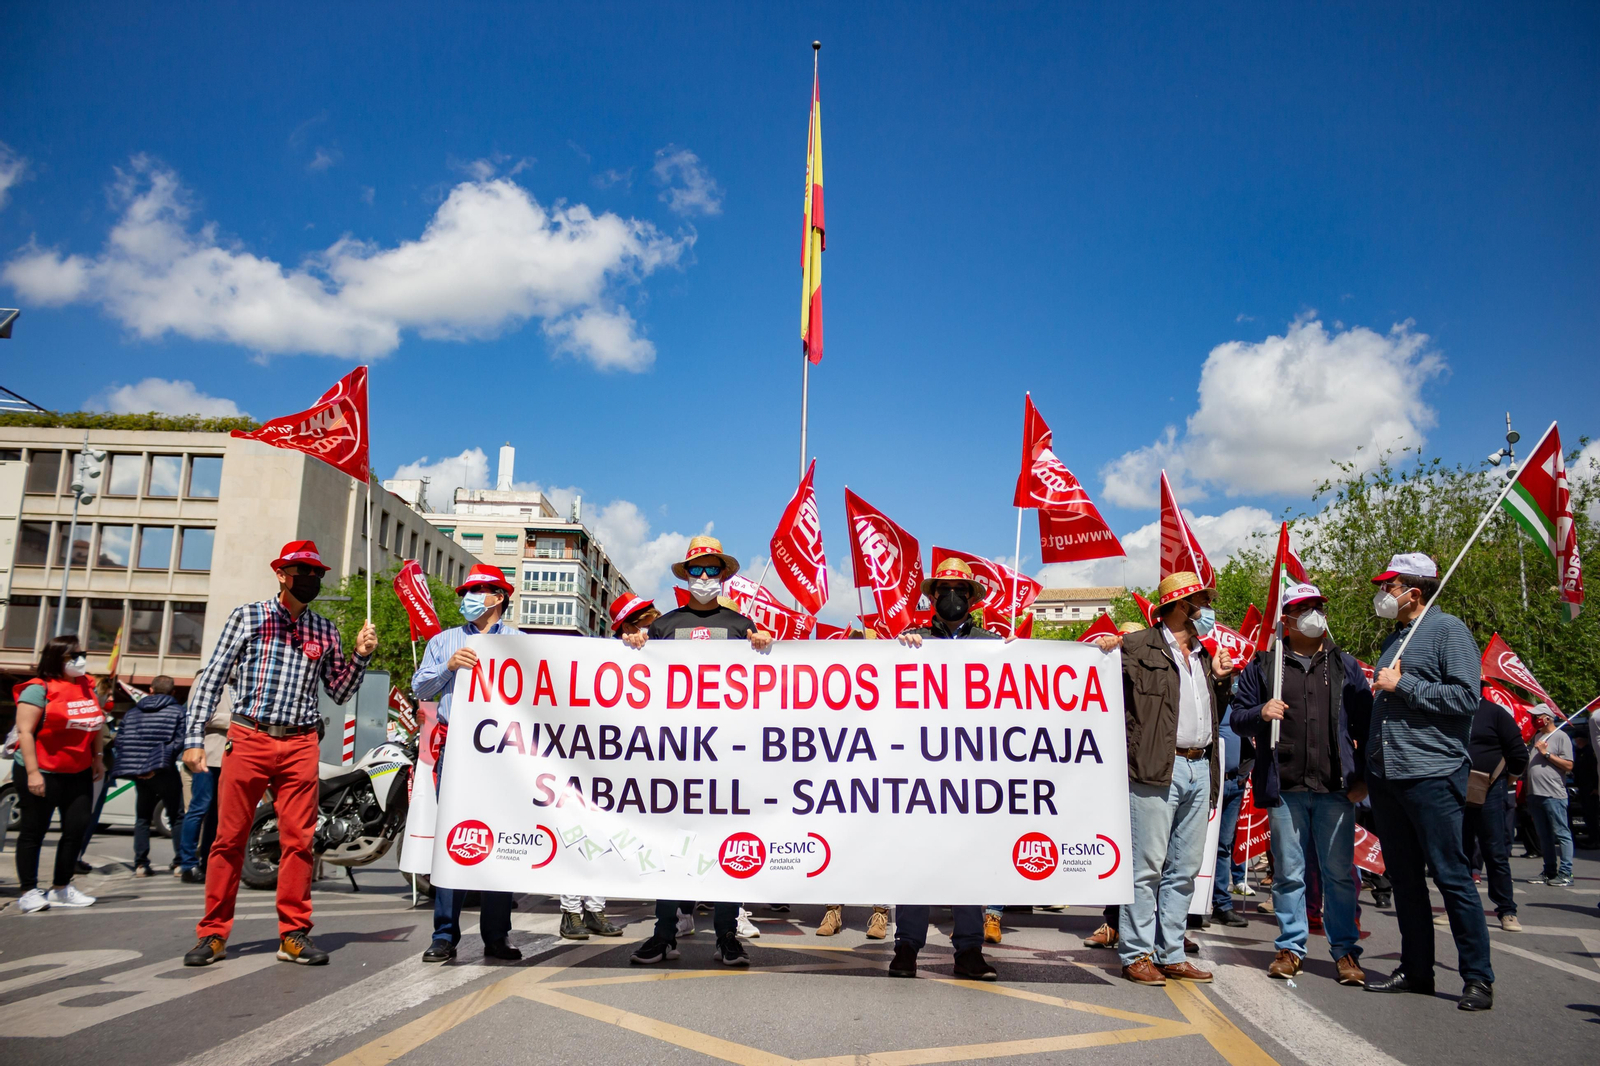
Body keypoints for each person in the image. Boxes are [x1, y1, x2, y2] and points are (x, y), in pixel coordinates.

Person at [181, 541, 376, 968]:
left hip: (301, 742)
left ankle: (293, 935)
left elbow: (339, 690)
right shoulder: (249, 618)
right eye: (302, 571)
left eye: (317, 573)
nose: (311, 579)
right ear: (282, 575)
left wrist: (360, 656)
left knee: (300, 842)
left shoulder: (325, 631)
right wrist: (193, 737)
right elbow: (212, 678)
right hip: (249, 737)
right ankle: (213, 934)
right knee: (229, 839)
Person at [624, 536, 773, 968]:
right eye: (696, 569)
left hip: (728, 755)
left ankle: (726, 934)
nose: (704, 577)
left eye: (711, 569)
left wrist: (765, 646)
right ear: (686, 575)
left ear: (723, 575)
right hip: (676, 755)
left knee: (728, 845)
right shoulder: (664, 627)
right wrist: (635, 647)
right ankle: (663, 933)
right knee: (672, 846)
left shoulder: (742, 626)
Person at [1361, 553, 1492, 1011]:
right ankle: (1417, 970)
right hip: (1388, 777)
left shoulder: (1448, 630)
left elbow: (1467, 698)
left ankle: (1477, 978)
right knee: (1404, 879)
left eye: (1389, 586)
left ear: (1414, 592)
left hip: (1432, 774)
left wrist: (1404, 686)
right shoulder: (1396, 638)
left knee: (1451, 875)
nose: (1382, 594)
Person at [1093, 571, 1234, 987]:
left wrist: (1221, 682)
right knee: (1146, 868)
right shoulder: (1137, 646)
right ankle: (1136, 953)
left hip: (1199, 766)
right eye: (1202, 603)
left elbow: (1206, 712)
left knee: (1184, 870)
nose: (1208, 611)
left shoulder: (1204, 656)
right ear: (1181, 606)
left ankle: (1171, 953)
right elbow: (1098, 683)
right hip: (1157, 768)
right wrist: (1105, 650)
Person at [1231, 582, 1372, 986]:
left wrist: (1364, 778)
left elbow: (1367, 725)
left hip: (1336, 788)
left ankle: (1345, 951)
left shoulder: (1345, 666)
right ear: (1287, 619)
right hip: (1285, 787)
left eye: (1318, 607)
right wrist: (1261, 711)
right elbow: (1238, 718)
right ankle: (1290, 947)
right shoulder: (1264, 666)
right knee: (1289, 874)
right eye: (1304, 608)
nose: (1314, 614)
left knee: (1339, 874)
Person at [889, 557, 1002, 981]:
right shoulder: (912, 640)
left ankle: (969, 950)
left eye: (960, 590)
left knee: (967, 860)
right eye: (944, 590)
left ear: (971, 598)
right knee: (915, 858)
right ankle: (906, 947)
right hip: (920, 769)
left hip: (971, 768)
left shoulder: (992, 644)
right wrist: (899, 649)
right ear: (933, 596)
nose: (952, 596)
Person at [413, 564, 527, 962]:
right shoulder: (444, 641)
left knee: (501, 839)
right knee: (454, 836)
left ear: (499, 597)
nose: (469, 598)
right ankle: (444, 935)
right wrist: (448, 667)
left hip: (503, 753)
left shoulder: (519, 642)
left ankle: (497, 935)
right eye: (466, 591)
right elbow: (420, 687)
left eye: (478, 590)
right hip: (458, 748)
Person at [552, 595, 663, 941]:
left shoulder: (650, 657)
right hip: (588, 760)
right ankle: (571, 912)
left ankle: (595, 909)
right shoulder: (600, 656)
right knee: (580, 836)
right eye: (646, 624)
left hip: (624, 762)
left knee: (606, 839)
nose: (651, 630)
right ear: (627, 626)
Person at [10, 635, 110, 913]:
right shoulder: (37, 689)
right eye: (73, 655)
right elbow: (25, 732)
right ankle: (28, 891)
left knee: (76, 828)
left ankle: (61, 888)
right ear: (56, 658)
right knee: (34, 831)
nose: (80, 660)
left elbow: (95, 723)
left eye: (82, 654)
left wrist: (97, 758)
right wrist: (33, 773)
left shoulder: (86, 686)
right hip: (41, 769)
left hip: (77, 770)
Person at [110, 675, 189, 877]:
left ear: (150, 690)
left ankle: (141, 864)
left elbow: (121, 741)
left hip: (139, 772)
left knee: (143, 817)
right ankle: (180, 862)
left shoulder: (132, 712)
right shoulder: (179, 712)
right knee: (176, 815)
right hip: (165, 770)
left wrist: (140, 766)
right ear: (173, 692)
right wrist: (158, 763)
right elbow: (179, 741)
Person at [1463, 692, 1529, 930]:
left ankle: (1507, 910)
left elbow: (1519, 754)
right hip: (1453, 790)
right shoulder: (1448, 710)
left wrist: (1504, 781)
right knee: (1458, 852)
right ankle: (1459, 908)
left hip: (1490, 790)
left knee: (1494, 851)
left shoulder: (1496, 713)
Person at [177, 700, 229, 883]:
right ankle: (188, 864)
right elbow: (197, 715)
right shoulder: (206, 683)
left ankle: (209, 862)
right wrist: (236, 720)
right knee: (199, 807)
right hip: (208, 755)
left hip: (230, 756)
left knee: (217, 813)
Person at [1523, 706, 1574, 887]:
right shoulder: (1537, 737)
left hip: (1553, 794)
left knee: (1561, 833)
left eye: (1536, 716)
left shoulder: (1561, 736)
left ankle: (1566, 873)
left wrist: (1546, 753)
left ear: (1547, 718)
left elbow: (1568, 765)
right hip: (1535, 794)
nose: (1533, 720)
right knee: (1544, 835)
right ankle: (1549, 870)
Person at [1210, 713, 1251, 928]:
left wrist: (1244, 773)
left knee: (1224, 846)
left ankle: (1221, 904)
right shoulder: (1210, 698)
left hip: (1234, 784)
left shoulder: (1238, 704)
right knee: (1199, 846)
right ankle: (1196, 905)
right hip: (1211, 782)